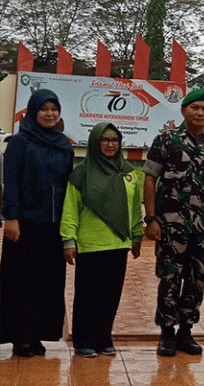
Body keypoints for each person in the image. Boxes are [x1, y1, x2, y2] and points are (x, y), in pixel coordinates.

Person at [143, 88, 204, 357]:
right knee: (170, 277)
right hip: (171, 225)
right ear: (184, 111)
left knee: (198, 277)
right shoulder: (166, 140)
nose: (201, 113)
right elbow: (149, 179)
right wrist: (151, 218)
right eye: (196, 108)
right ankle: (167, 333)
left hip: (202, 225)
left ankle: (186, 332)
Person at [0, 89, 74, 357]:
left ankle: (38, 334)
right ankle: (21, 336)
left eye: (54, 109)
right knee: (23, 281)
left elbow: (69, 185)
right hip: (26, 223)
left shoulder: (64, 144)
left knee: (48, 282)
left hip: (54, 225)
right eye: (44, 109)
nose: (50, 114)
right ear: (33, 111)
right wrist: (11, 217)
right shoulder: (20, 142)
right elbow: (11, 181)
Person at [61, 122, 144, 358]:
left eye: (114, 140)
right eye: (105, 140)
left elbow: (134, 207)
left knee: (111, 294)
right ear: (96, 143)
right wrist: (69, 240)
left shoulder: (127, 171)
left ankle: (103, 336)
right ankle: (84, 340)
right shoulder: (82, 172)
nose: (110, 144)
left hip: (118, 243)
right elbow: (70, 208)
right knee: (88, 294)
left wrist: (137, 234)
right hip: (90, 244)